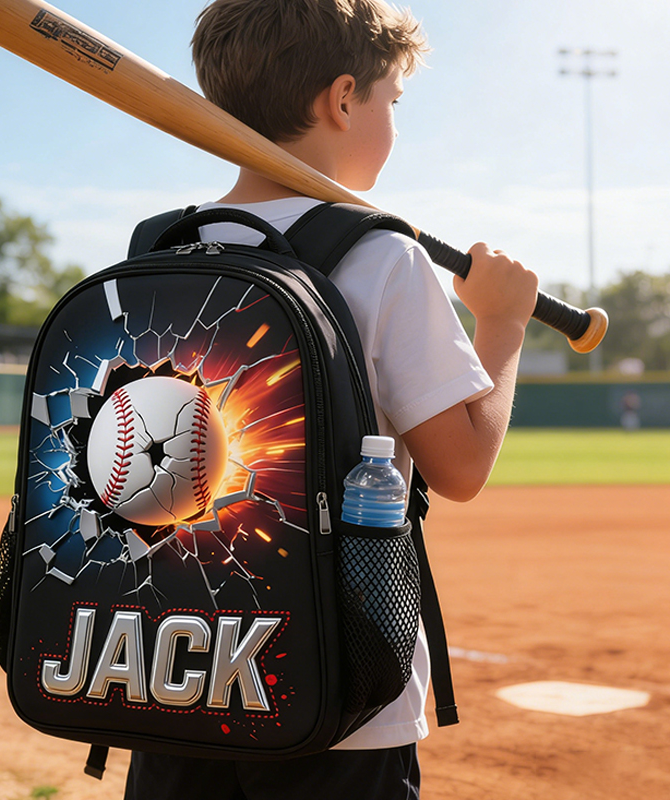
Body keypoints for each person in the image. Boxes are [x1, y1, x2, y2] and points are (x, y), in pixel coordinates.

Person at [125, 1, 538, 797]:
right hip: (334, 693)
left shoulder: (160, 246)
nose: (390, 120)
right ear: (343, 98)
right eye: (391, 100)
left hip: (170, 671)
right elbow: (461, 467)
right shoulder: (384, 256)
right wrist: (503, 324)